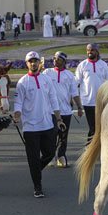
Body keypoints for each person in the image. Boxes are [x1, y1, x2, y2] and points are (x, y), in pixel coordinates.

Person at [13, 51, 66, 198]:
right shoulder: (22, 82)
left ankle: (35, 170)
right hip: (30, 127)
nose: (33, 63)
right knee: (34, 158)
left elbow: (53, 100)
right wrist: (17, 117)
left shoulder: (46, 80)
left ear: (39, 63)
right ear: (27, 64)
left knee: (49, 153)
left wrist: (59, 119)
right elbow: (18, 103)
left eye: (35, 61)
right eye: (30, 61)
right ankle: (38, 186)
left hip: (47, 124)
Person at [43, 51, 83, 167]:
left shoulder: (70, 75)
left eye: (58, 59)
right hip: (50, 111)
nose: (55, 60)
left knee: (63, 136)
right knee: (51, 135)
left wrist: (79, 107)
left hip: (65, 111)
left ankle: (61, 156)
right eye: (54, 58)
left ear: (64, 61)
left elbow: (75, 93)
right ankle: (50, 157)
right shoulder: (47, 73)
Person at [75, 43, 108, 145]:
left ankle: (96, 147)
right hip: (88, 102)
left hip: (101, 101)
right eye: (88, 50)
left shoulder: (103, 65)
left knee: (101, 126)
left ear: (97, 51)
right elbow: (75, 82)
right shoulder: (82, 65)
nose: (89, 52)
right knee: (93, 126)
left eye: (92, 50)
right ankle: (89, 147)